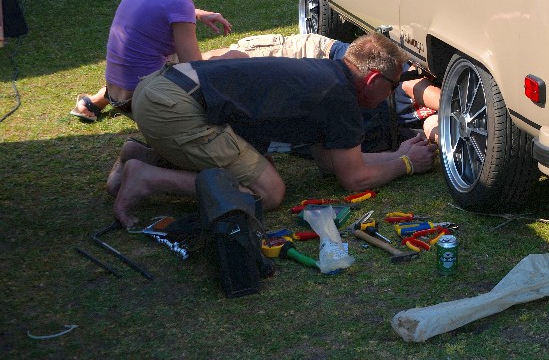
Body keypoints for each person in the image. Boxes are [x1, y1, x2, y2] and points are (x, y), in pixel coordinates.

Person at [109, 32, 438, 227]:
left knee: (247, 172)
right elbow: (354, 180)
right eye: (393, 86)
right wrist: (406, 164)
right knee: (269, 192)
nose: (392, 95)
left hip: (159, 91)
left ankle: (139, 154)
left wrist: (396, 153)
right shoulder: (340, 97)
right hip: (175, 110)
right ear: (373, 80)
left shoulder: (328, 75)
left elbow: (331, 164)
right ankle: (146, 178)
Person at [70, 0, 243, 121]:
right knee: (236, 58)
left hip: (116, 89)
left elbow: (158, 8)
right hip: (143, 99)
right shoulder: (179, 3)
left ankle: (96, 101)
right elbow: (194, 69)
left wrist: (198, 13)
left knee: (188, 56)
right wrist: (231, 59)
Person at [206, 32, 441, 148]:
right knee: (232, 62)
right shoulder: (406, 78)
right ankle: (176, 65)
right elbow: (416, 88)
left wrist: (449, 135)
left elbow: (435, 128)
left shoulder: (425, 118)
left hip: (344, 89)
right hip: (320, 57)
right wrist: (459, 109)